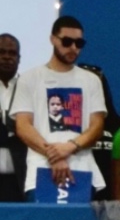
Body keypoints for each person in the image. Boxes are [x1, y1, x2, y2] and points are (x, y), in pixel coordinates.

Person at [11, 16, 106, 196]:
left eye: (79, 43)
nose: (73, 48)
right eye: (67, 41)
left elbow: (97, 126)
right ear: (53, 39)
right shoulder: (29, 78)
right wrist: (54, 155)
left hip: (82, 170)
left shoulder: (92, 80)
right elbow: (23, 126)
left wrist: (70, 147)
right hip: (41, 170)